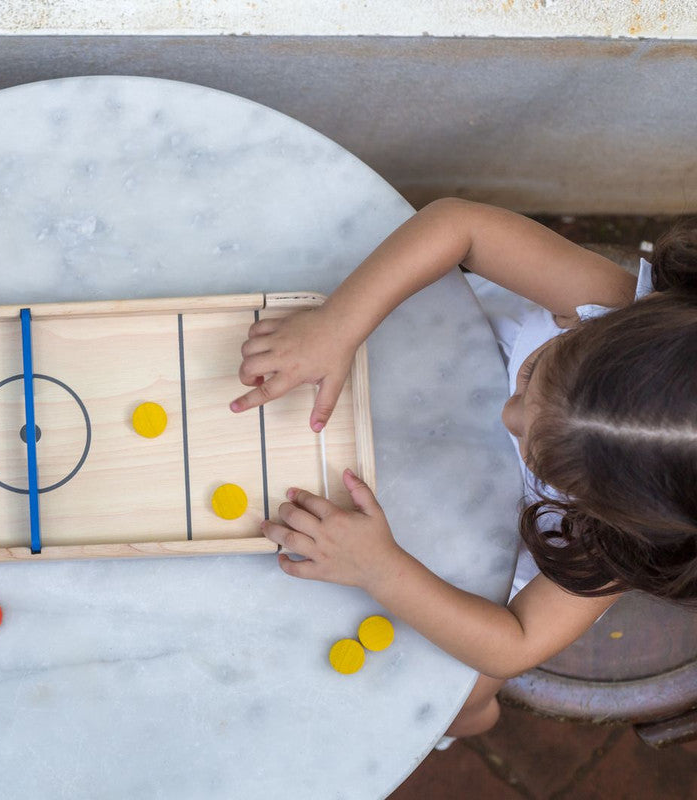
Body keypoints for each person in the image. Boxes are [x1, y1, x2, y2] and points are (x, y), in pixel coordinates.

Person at [231, 198, 697, 737]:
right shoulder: (609, 303)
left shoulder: (622, 543)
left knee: (464, 693)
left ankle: (470, 722)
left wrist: (380, 569)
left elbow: (515, 643)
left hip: (466, 537)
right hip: (425, 349)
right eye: (534, 375)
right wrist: (338, 323)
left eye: (541, 455)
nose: (508, 414)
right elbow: (461, 225)